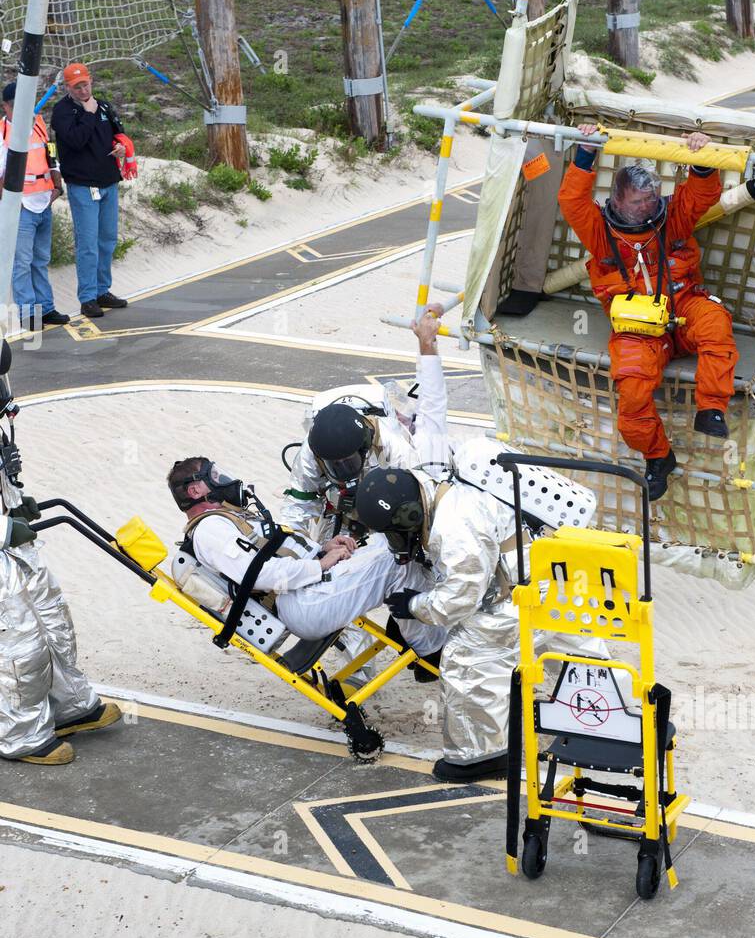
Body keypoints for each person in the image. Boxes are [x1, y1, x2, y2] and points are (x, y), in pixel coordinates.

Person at [354, 440, 606, 783]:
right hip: (558, 579)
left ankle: (479, 756)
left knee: (467, 656)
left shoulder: (453, 525)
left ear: (409, 514)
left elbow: (461, 597)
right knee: (578, 652)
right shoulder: (438, 488)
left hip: (525, 594)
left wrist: (415, 605)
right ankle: (610, 718)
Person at [558, 125, 739, 501]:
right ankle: (658, 456)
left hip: (684, 307)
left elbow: (701, 194)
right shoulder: (600, 230)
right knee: (634, 396)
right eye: (638, 200)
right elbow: (572, 200)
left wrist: (701, 160)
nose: (647, 205)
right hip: (637, 330)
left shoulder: (671, 217)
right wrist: (587, 153)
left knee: (715, 323)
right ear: (618, 200)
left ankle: (712, 410)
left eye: (651, 198)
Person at [167, 457, 445, 669]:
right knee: (398, 560)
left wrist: (322, 550)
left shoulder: (228, 517)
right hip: (300, 606)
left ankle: (417, 622)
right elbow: (261, 575)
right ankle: (428, 653)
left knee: (390, 542)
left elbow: (275, 551)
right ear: (194, 490)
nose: (222, 479)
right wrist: (321, 566)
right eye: (212, 477)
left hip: (307, 591)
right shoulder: (210, 530)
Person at [0, 339, 120, 764]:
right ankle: (21, 736)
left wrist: (18, 505)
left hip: (13, 544)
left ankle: (69, 706)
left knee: (53, 620)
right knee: (18, 643)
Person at [281, 306, 451, 542]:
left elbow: (423, 501)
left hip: (388, 505)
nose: (343, 469)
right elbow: (297, 508)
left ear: (364, 446)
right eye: (336, 466)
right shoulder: (312, 454)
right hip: (343, 515)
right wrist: (300, 550)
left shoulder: (395, 446)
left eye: (348, 462)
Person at [50, 61, 136, 320]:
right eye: (76, 87)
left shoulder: (104, 106)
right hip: (83, 186)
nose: (82, 90)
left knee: (107, 240)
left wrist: (121, 147)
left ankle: (102, 290)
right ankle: (87, 297)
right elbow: (75, 141)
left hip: (108, 181)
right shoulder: (62, 112)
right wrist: (88, 113)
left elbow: (118, 133)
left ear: (91, 81)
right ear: (67, 87)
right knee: (87, 243)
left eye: (85, 84)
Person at [0, 81, 69, 331]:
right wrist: (8, 206)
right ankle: (28, 313)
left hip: (44, 201)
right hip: (21, 207)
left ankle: (46, 308)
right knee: (22, 262)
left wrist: (57, 184)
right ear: (5, 107)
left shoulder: (38, 123)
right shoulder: (2, 132)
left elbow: (50, 154)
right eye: (16, 106)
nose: (22, 111)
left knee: (40, 259)